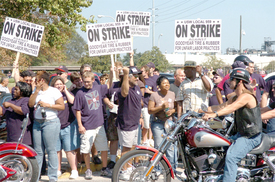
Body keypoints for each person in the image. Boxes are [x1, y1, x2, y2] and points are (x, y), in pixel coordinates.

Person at [202, 68, 262, 181]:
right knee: (219, 146)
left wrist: (214, 115)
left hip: (251, 136)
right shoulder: (236, 97)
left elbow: (231, 108)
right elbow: (221, 107)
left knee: (231, 157)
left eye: (231, 79)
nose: (228, 81)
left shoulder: (246, 96)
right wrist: (200, 111)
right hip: (241, 134)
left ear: (239, 81)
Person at [72, 71, 112, 179]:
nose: (86, 84)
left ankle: (104, 168)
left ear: (93, 80)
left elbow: (109, 85)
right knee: (86, 149)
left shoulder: (98, 88)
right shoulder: (80, 93)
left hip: (99, 124)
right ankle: (88, 170)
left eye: (88, 82)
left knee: (104, 147)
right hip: (87, 126)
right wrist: (80, 125)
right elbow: (78, 110)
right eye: (84, 82)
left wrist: (112, 73)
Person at [28, 71, 65, 182]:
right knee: (38, 151)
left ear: (42, 80)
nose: (34, 81)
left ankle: (53, 177)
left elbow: (61, 106)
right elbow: (30, 104)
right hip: (37, 122)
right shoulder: (36, 90)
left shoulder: (54, 91)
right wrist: (37, 91)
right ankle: (36, 175)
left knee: (51, 150)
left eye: (36, 79)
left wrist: (48, 105)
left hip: (50, 122)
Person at [116, 66, 142, 180]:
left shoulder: (136, 88)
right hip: (126, 123)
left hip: (135, 123)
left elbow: (138, 104)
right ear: (128, 77)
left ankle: (129, 167)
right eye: (135, 76)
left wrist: (140, 117)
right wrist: (126, 74)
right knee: (126, 149)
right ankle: (123, 170)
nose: (137, 78)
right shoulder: (122, 89)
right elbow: (125, 92)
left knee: (132, 147)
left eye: (138, 75)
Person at [50, 76, 79, 179]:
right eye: (56, 84)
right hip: (54, 126)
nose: (59, 86)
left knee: (69, 149)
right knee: (57, 150)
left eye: (60, 84)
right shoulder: (51, 96)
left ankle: (74, 170)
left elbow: (73, 101)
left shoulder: (67, 94)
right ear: (53, 86)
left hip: (68, 125)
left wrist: (66, 91)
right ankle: (58, 170)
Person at [148, 76, 177, 172]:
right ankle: (157, 169)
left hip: (169, 123)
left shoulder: (172, 94)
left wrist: (172, 111)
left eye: (168, 83)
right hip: (157, 123)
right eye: (164, 83)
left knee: (170, 147)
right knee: (159, 146)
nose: (167, 84)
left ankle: (171, 169)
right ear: (159, 86)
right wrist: (161, 107)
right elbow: (150, 110)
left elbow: (176, 107)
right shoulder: (154, 95)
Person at [140, 65, 158, 146]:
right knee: (146, 124)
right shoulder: (140, 81)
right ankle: (144, 140)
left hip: (150, 105)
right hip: (143, 105)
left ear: (146, 72)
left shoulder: (152, 81)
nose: (141, 73)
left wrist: (149, 91)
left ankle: (150, 139)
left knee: (150, 123)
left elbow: (156, 93)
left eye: (142, 71)